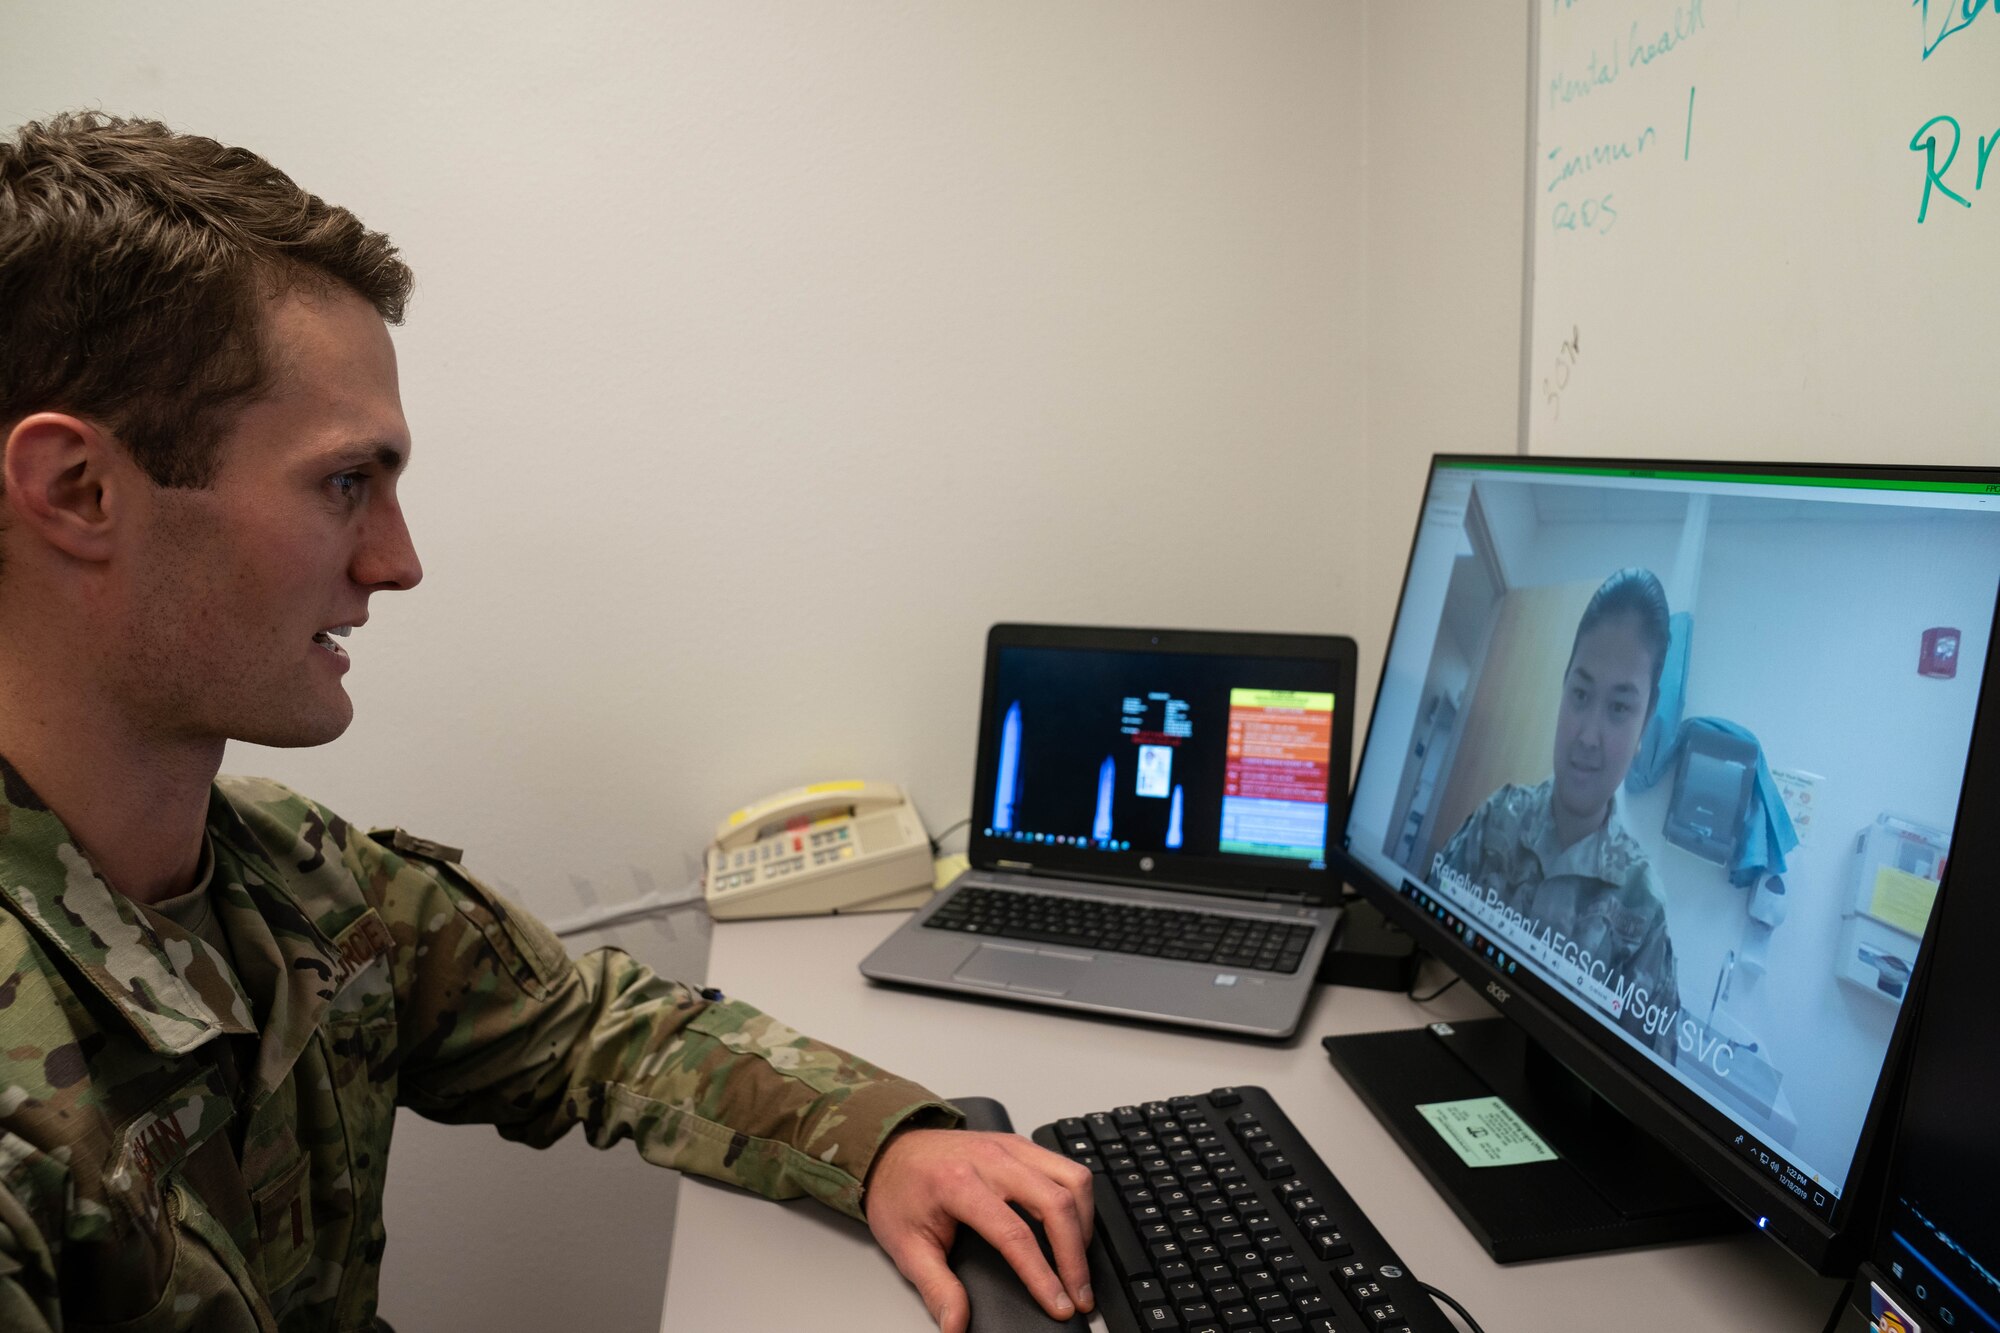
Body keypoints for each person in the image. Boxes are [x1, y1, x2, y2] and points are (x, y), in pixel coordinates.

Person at [0, 112, 1092, 1333]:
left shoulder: (288, 880)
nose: (398, 563)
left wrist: (887, 1142)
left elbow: (589, 1028)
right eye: (344, 482)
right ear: (80, 491)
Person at [1432, 568, 1682, 1058]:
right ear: (1563, 686)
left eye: (1618, 708)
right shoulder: (1495, 818)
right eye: (1581, 695)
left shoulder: (1643, 909)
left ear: (1644, 723)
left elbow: (1644, 1084)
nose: (1588, 735)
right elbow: (1422, 945)